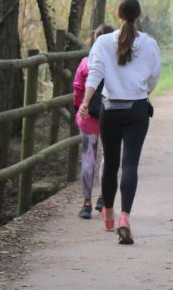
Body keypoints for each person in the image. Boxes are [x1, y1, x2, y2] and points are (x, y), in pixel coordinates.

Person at [79, 0, 161, 245]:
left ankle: (108, 215)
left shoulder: (103, 42)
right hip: (136, 109)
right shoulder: (149, 44)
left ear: (118, 15)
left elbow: (95, 73)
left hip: (110, 109)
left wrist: (85, 102)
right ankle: (125, 217)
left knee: (111, 161)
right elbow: (154, 77)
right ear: (139, 16)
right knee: (130, 164)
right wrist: (143, 90)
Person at [73, 23, 114, 219]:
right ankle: (103, 199)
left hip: (88, 116)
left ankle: (86, 203)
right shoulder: (117, 63)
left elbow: (78, 89)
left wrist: (78, 108)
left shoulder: (86, 62)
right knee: (107, 157)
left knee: (88, 158)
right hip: (109, 115)